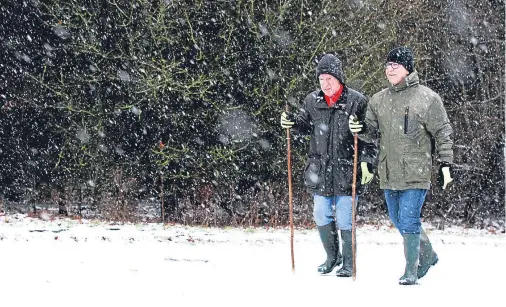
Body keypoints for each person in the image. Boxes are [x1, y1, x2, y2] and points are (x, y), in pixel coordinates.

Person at [348, 46, 454, 285]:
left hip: (416, 171)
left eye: (395, 65)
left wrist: (446, 163)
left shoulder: (427, 98)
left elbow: (443, 132)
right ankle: (428, 254)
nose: (390, 69)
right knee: (398, 219)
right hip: (388, 171)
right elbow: (370, 133)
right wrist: (360, 129)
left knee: (408, 219)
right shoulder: (378, 100)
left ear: (408, 68)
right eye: (387, 65)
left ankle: (412, 270)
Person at [280, 53, 377, 277]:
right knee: (321, 213)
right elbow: (305, 125)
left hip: (346, 169)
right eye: (321, 79)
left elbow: (370, 136)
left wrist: (366, 164)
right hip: (320, 170)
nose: (325, 84)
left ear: (339, 78)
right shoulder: (312, 101)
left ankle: (349, 263)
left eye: (329, 79)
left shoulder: (357, 101)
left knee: (345, 217)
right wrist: (293, 122)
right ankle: (332, 257)